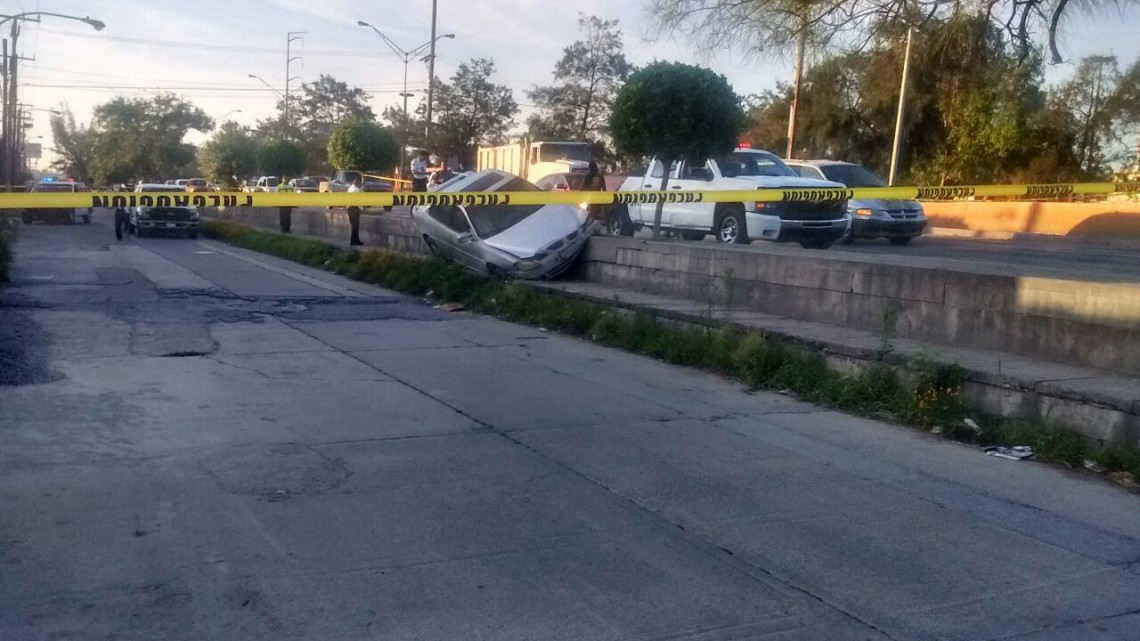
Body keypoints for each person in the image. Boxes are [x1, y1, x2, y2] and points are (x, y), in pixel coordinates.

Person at [347, 177, 364, 246]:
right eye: (360, 183)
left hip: (350, 208)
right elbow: (360, 200)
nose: (361, 185)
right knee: (355, 226)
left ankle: (355, 240)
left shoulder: (350, 188)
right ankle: (353, 241)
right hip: (354, 208)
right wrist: (361, 209)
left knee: (354, 226)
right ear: (357, 182)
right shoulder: (356, 190)